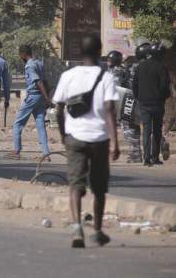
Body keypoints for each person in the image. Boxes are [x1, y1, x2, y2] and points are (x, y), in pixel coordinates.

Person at [51, 34, 119, 248]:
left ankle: (77, 228)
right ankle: (97, 231)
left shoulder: (68, 76)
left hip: (75, 138)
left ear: (79, 52)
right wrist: (115, 142)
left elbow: (58, 109)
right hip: (100, 139)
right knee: (99, 187)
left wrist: (63, 134)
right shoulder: (106, 77)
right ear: (100, 52)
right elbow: (109, 109)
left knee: (75, 185)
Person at [10, 45, 52, 159]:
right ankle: (46, 153)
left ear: (23, 54)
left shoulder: (29, 66)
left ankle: (17, 151)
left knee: (17, 124)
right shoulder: (39, 63)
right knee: (40, 125)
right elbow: (45, 81)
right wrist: (47, 98)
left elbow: (39, 82)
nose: (20, 58)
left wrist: (48, 99)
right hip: (40, 99)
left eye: (20, 55)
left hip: (33, 97)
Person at [133, 43, 171, 166]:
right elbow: (165, 87)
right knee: (157, 130)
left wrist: (138, 97)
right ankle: (155, 158)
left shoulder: (140, 66)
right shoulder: (162, 67)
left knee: (146, 130)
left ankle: (146, 159)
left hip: (143, 103)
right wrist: (163, 97)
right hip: (157, 103)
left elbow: (134, 85)